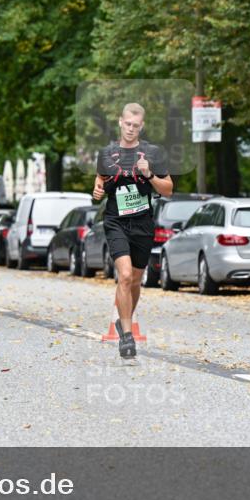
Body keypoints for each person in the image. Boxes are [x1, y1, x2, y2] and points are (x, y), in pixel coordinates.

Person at [92, 102, 173, 359]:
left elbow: (168, 189)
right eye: (127, 123)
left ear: (142, 126)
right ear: (120, 121)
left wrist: (149, 175)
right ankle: (127, 336)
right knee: (125, 276)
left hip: (143, 223)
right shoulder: (106, 153)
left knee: (136, 279)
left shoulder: (153, 153)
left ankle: (123, 320)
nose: (130, 128)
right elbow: (99, 183)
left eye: (136, 125)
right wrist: (96, 192)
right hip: (116, 221)